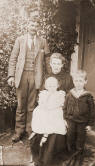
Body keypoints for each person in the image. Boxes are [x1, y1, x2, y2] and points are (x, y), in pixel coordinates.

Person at [7, 13, 50, 142]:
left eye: (36, 25)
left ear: (38, 27)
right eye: (31, 24)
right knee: (21, 106)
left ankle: (29, 130)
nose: (33, 27)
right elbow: (13, 58)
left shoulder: (43, 41)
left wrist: (49, 78)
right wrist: (11, 75)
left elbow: (47, 60)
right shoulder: (20, 40)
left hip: (36, 76)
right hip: (21, 76)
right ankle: (18, 132)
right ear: (27, 26)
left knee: (32, 105)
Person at [29, 77, 67, 166]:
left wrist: (51, 107)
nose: (51, 87)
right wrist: (45, 106)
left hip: (55, 110)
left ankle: (46, 135)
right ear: (46, 86)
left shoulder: (60, 94)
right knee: (38, 112)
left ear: (58, 86)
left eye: (54, 85)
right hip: (45, 109)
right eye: (49, 85)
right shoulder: (43, 93)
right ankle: (38, 131)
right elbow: (41, 103)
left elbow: (60, 103)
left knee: (53, 117)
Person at [63, 70, 95, 166]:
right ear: (73, 81)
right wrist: (65, 119)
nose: (78, 83)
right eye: (76, 81)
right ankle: (71, 156)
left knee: (80, 141)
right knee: (70, 139)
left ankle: (78, 158)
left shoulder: (88, 96)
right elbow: (65, 107)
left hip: (82, 123)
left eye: (80, 81)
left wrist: (90, 124)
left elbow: (92, 111)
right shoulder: (70, 94)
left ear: (85, 81)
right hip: (71, 121)